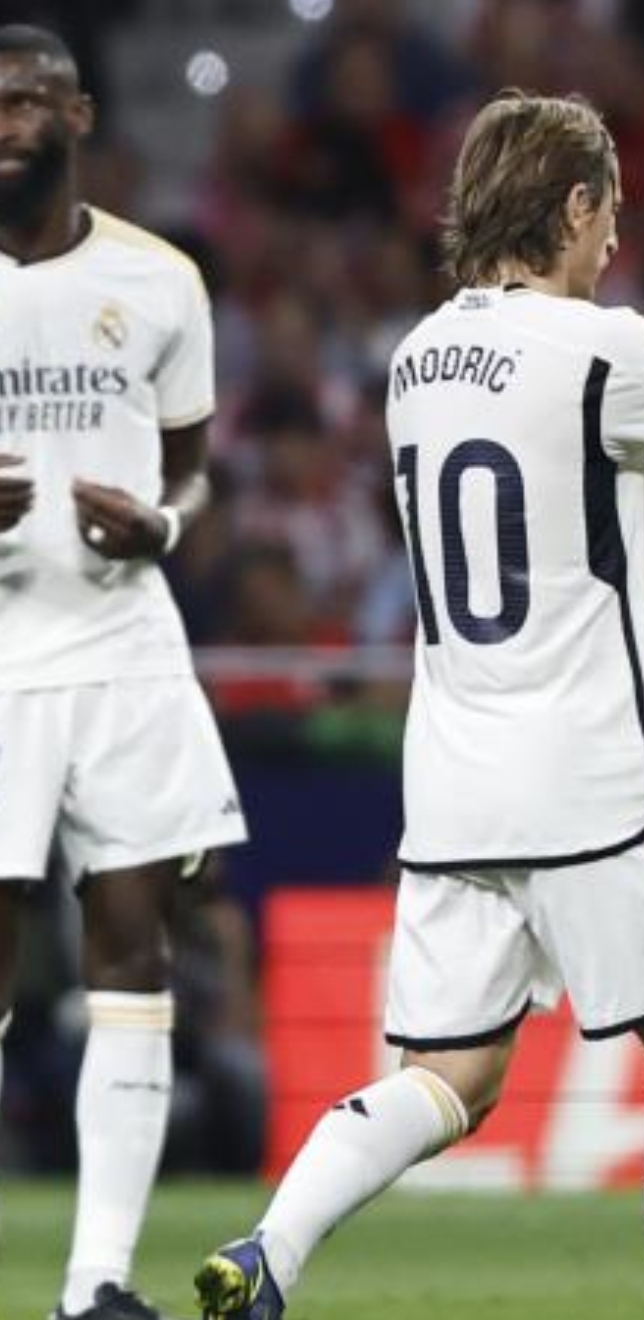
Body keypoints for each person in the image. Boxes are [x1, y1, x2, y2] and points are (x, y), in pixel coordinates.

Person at [194, 91, 644, 1320]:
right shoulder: (604, 353)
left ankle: (267, 1254)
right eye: (607, 213)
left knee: (448, 1073)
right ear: (572, 205)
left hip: (454, 782)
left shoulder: (415, 360)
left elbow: (584, 408)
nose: (613, 241)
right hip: (593, 769)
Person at [0, 25, 248, 1320]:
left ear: (81, 113)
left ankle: (95, 1283)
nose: (10, 114)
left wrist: (167, 522)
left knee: (136, 946)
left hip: (121, 641)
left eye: (33, 94)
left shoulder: (161, 281)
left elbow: (195, 458)